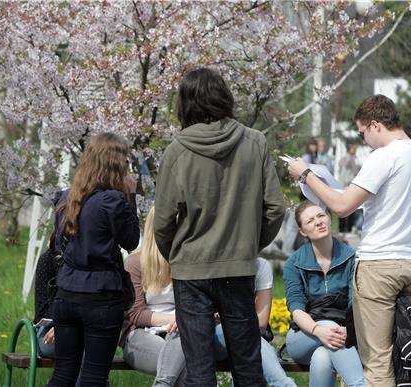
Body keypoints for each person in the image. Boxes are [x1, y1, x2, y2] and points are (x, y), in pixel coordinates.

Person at [287, 95, 411, 386]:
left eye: (362, 132)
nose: (364, 139)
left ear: (375, 124)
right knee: (405, 360)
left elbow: (343, 206)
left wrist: (305, 174)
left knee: (378, 362)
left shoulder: (385, 156)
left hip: (380, 266)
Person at [154, 67, 285, 387]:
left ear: (185, 103)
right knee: (247, 365)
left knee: (199, 370)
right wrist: (247, 246)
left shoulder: (177, 151)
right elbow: (276, 208)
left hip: (191, 272)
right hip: (238, 268)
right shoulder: (254, 142)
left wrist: (179, 255)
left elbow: (162, 222)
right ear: (224, 97)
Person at [47, 132, 140, 387]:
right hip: (101, 298)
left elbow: (58, 245)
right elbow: (131, 241)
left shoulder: (65, 198)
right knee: (94, 377)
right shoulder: (113, 201)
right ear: (116, 165)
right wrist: (131, 196)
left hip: (65, 297)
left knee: (63, 375)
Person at [283, 201, 364, 387]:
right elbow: (296, 310)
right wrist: (320, 331)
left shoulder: (351, 258)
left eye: (321, 216)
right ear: (303, 231)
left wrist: (349, 329)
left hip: (342, 334)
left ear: (328, 218)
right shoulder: (294, 263)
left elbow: (356, 302)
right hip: (303, 335)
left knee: (322, 358)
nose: (318, 222)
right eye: (310, 220)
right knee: (328, 327)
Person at [121, 207, 186, 387]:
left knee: (180, 359)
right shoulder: (134, 262)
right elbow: (136, 314)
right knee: (183, 367)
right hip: (141, 333)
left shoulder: (187, 262)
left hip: (179, 334)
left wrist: (184, 320)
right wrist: (178, 318)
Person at [213, 257, 297, 387]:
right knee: (243, 335)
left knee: (246, 338)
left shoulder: (259, 265)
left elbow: (262, 321)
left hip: (248, 337)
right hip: (213, 338)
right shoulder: (209, 263)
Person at [337, 144, 361, 233]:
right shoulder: (349, 159)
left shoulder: (350, 159)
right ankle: (345, 228)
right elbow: (354, 171)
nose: (355, 151)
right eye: (353, 148)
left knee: (348, 207)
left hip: (347, 185)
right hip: (346, 186)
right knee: (347, 207)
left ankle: (346, 228)